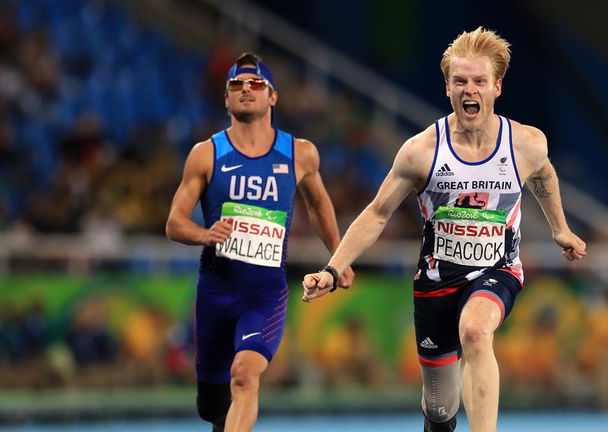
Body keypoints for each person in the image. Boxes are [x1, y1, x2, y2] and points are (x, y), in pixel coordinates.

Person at [302, 28, 586, 432]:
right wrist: (332, 270)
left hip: (497, 270)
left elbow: (543, 174)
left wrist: (560, 228)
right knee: (439, 409)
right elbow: (378, 213)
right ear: (448, 87)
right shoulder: (420, 152)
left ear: (497, 87)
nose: (469, 90)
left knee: (475, 332)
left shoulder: (526, 143)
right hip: (437, 280)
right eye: (460, 81)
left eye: (479, 81)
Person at [166, 52, 354, 432]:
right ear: (226, 99)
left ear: (273, 97)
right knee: (211, 404)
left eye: (256, 84)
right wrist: (205, 234)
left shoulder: (300, 153)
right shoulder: (206, 155)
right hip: (215, 292)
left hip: (265, 294)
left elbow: (318, 205)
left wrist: (341, 256)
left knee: (245, 376)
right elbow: (173, 223)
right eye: (236, 85)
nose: (246, 90)